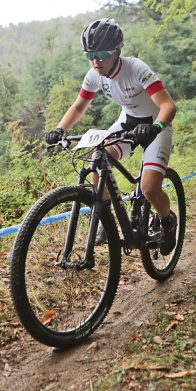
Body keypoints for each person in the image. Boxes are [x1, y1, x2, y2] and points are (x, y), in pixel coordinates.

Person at [44, 18, 178, 255]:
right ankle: (105, 217)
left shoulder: (136, 69)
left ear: (118, 50)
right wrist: (60, 129)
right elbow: (78, 107)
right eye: (90, 55)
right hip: (127, 122)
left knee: (148, 188)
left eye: (102, 54)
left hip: (156, 125)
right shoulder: (94, 75)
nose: (96, 61)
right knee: (99, 157)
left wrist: (156, 127)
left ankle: (167, 222)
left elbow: (168, 106)